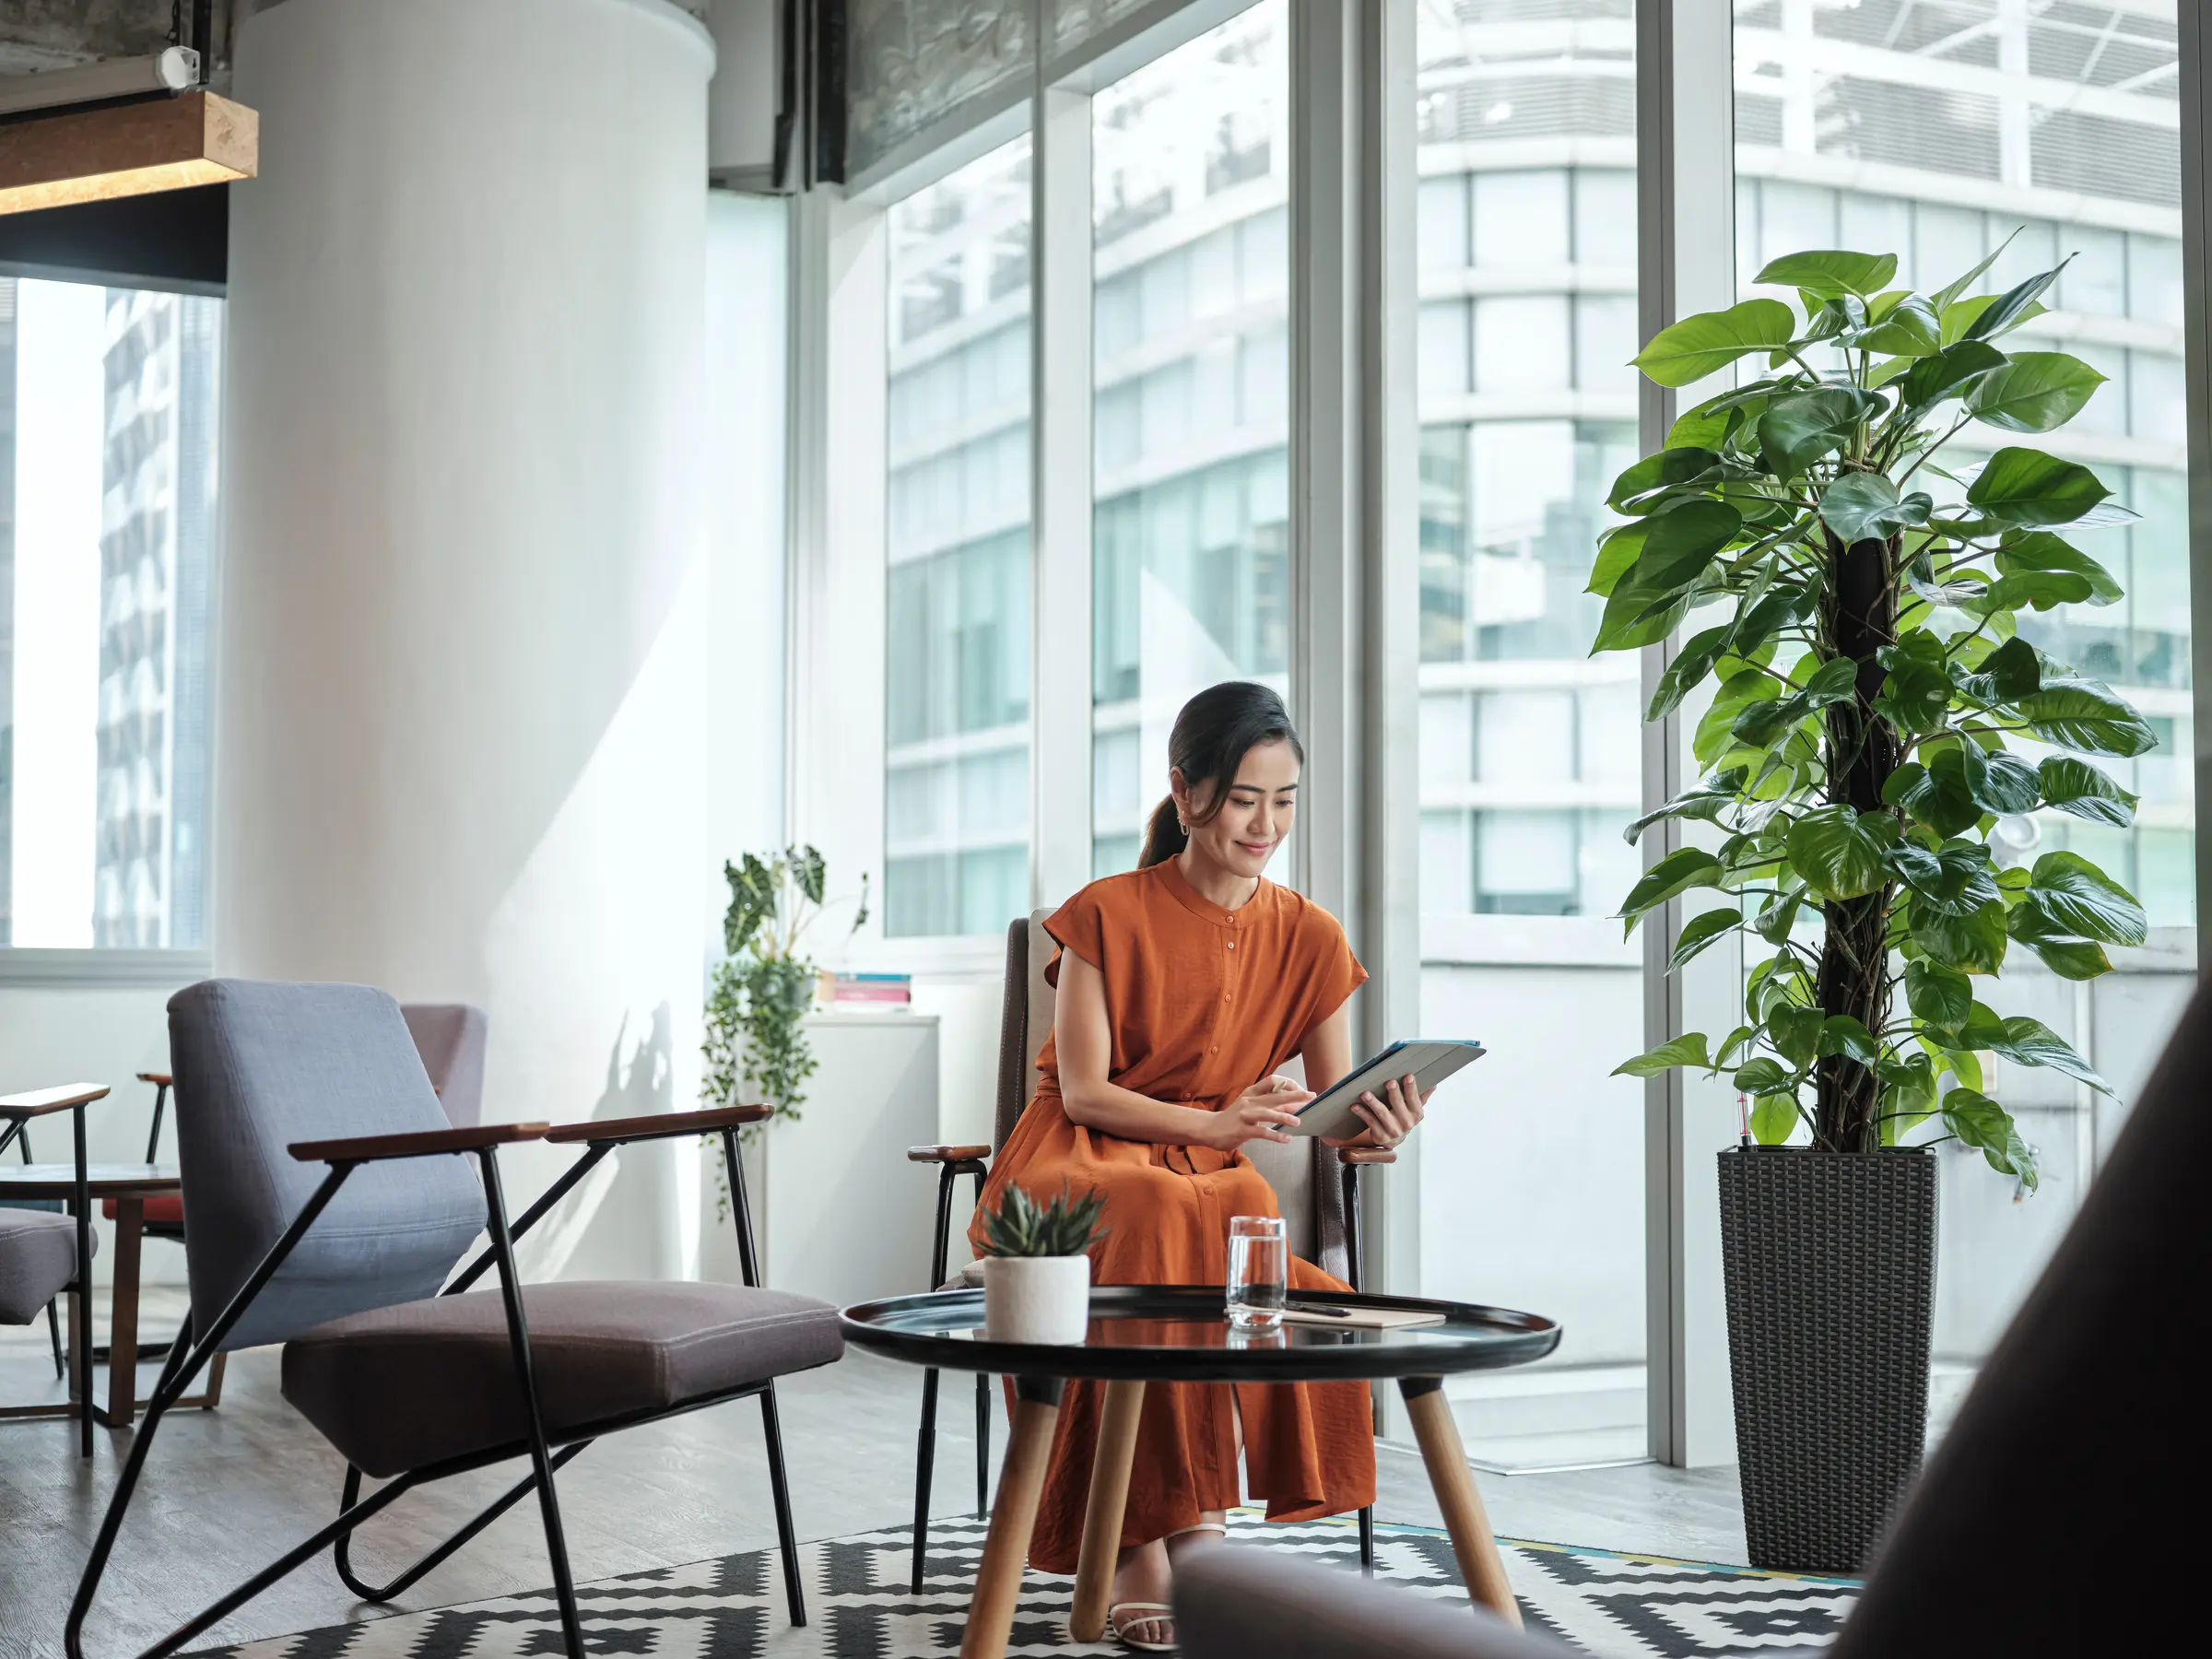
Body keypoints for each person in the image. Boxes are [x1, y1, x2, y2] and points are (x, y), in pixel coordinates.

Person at [970, 679, 1428, 1652]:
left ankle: (1176, 1526)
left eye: (1285, 800)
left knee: (1234, 1199)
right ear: (1186, 794)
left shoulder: (1310, 935)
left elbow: (1332, 1109)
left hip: (1204, 1170)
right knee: (1167, 1203)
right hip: (1073, 1160)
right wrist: (1219, 1125)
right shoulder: (1103, 913)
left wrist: (1376, 1131)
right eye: (1245, 798)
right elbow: (1085, 1092)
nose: (1266, 824)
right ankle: (1168, 1537)